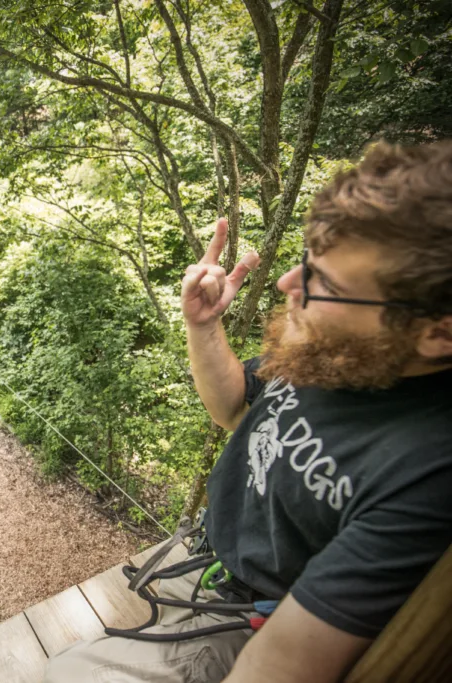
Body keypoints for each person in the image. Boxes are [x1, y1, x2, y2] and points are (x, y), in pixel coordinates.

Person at [45, 141, 452, 683]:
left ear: (437, 332)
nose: (288, 284)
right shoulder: (341, 356)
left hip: (243, 626)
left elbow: (284, 664)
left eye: (324, 283)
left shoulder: (427, 469)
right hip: (202, 567)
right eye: (307, 263)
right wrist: (203, 326)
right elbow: (233, 407)